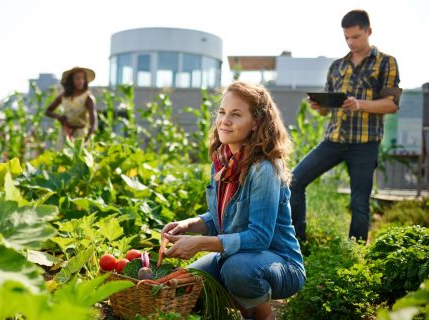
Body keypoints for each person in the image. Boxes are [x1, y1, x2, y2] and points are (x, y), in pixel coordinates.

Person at [161, 81, 306, 320]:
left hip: (280, 263)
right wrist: (189, 225)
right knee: (188, 284)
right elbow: (222, 215)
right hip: (237, 257)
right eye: (222, 112)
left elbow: (259, 238)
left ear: (256, 123)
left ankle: (263, 316)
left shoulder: (264, 169)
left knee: (237, 270)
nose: (224, 121)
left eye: (236, 114)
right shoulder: (223, 161)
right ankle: (245, 307)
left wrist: (198, 244)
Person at [290, 10, 401, 242]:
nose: (351, 42)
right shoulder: (337, 66)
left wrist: (359, 104)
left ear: (368, 31)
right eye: (347, 38)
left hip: (364, 144)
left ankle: (356, 253)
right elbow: (327, 109)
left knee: (359, 203)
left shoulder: (386, 63)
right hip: (334, 140)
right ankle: (297, 242)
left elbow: (391, 104)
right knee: (294, 181)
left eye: (356, 37)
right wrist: (319, 105)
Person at [45, 66, 97, 148]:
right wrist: (58, 117)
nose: (81, 81)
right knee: (61, 156)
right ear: (71, 80)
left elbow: (93, 123)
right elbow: (48, 111)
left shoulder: (88, 98)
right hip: (65, 132)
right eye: (77, 79)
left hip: (80, 134)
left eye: (83, 78)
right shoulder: (63, 96)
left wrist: (87, 138)